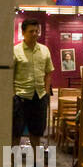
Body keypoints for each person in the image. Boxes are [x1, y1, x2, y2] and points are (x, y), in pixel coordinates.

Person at [12, 18, 53, 148]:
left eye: (37, 31)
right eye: (31, 31)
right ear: (23, 32)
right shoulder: (15, 50)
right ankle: (13, 165)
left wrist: (46, 93)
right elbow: (9, 75)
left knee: (36, 133)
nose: (35, 34)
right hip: (20, 98)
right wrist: (13, 95)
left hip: (39, 97)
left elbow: (48, 73)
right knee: (15, 133)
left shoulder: (44, 50)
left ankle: (37, 164)